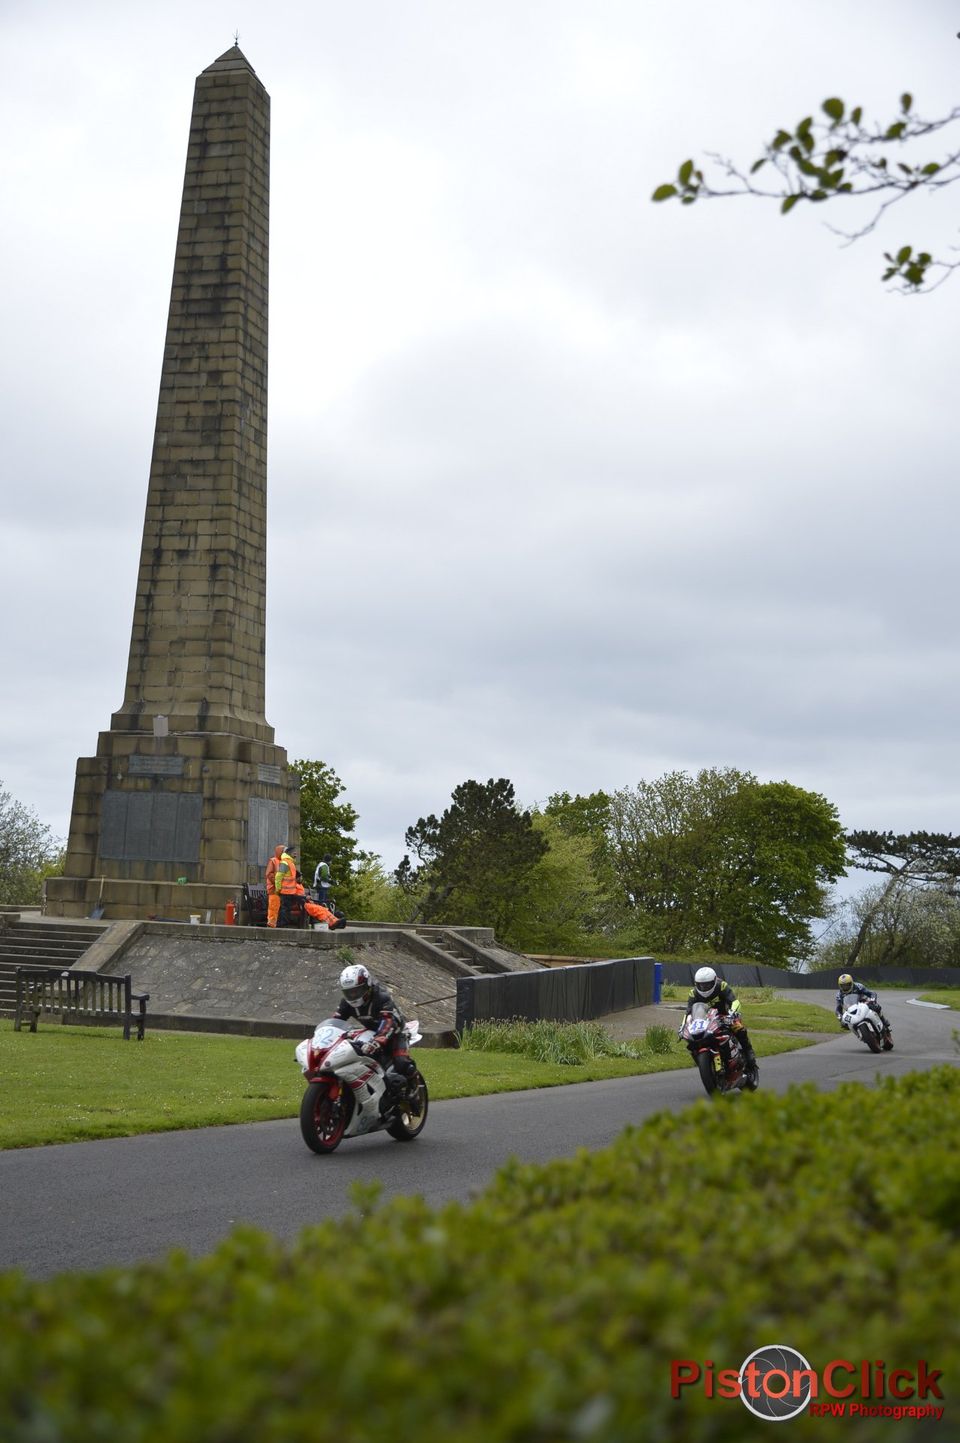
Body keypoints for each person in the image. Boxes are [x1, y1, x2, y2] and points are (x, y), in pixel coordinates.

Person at [336, 963, 416, 1099]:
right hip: (370, 1031)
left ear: (367, 985)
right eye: (349, 992)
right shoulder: (346, 1003)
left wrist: (377, 1041)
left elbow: (388, 1022)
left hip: (396, 1032)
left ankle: (413, 1089)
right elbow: (336, 1022)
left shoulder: (381, 997)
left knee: (402, 1064)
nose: (352, 995)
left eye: (356, 991)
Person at [681, 965, 759, 1083]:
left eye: (707, 984)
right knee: (693, 1041)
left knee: (739, 1028)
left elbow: (734, 1001)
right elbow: (689, 1012)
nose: (704, 987)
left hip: (725, 1016)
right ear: (696, 984)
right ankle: (707, 1064)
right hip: (705, 1020)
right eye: (701, 985)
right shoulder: (693, 993)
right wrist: (683, 1026)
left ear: (714, 981)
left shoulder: (721, 986)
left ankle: (749, 1053)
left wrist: (733, 1013)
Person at [835, 973, 893, 1049]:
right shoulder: (839, 994)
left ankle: (884, 1022)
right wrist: (840, 1017)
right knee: (845, 1024)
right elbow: (838, 1008)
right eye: (843, 985)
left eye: (847, 985)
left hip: (864, 1002)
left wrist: (872, 1000)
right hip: (851, 1009)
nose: (845, 987)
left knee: (876, 1007)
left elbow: (871, 993)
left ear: (851, 983)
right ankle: (861, 1034)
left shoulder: (858, 986)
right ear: (840, 986)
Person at [275, 847, 300, 928]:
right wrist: (278, 888)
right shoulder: (285, 862)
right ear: (289, 853)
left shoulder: (290, 862)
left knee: (286, 908)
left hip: (289, 891)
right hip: (285, 891)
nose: (296, 854)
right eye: (294, 852)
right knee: (284, 908)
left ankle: (283, 924)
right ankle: (282, 924)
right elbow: (279, 876)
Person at [265, 844, 284, 928]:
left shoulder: (284, 862)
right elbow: (269, 874)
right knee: (273, 906)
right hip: (274, 889)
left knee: (277, 907)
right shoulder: (273, 861)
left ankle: (275, 924)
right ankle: (271, 924)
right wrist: (277, 884)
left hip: (281, 889)